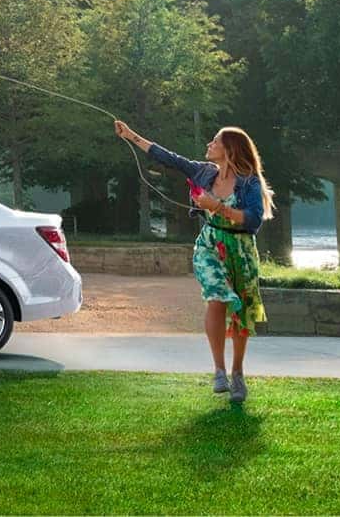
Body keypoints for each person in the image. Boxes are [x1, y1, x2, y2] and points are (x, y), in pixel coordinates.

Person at [115, 120, 273, 403]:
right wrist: (131, 135)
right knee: (217, 297)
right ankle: (219, 371)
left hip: (241, 250)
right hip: (210, 245)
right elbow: (168, 158)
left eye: (215, 141)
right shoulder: (204, 172)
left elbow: (253, 220)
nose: (209, 145)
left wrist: (219, 207)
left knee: (241, 311)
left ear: (230, 150)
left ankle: (237, 373)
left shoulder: (250, 181)